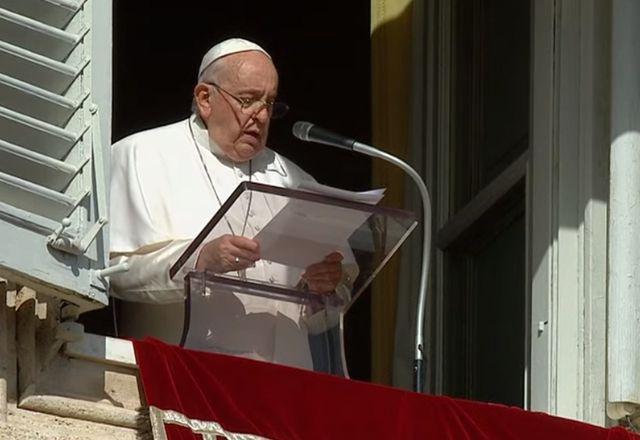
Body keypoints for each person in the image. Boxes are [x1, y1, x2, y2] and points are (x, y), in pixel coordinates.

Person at [109, 38, 352, 370]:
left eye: (270, 103)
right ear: (205, 98)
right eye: (248, 100)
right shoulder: (140, 155)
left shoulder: (299, 181)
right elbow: (111, 275)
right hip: (180, 375)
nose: (262, 115)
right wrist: (198, 260)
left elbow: (326, 313)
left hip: (285, 384)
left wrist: (322, 291)